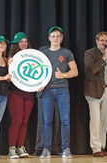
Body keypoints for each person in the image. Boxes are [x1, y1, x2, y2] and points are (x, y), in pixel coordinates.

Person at [39, 26, 78, 159]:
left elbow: (75, 71)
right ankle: (46, 149)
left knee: (65, 120)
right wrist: (38, 84)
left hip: (62, 90)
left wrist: (64, 75)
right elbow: (35, 69)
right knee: (47, 121)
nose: (56, 38)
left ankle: (66, 149)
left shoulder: (67, 53)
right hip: (47, 91)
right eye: (53, 36)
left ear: (61, 38)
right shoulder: (42, 53)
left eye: (58, 36)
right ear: (49, 38)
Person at [83, 31, 107, 157]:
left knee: (105, 120)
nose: (105, 43)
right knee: (95, 120)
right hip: (93, 91)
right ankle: (96, 147)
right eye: (102, 40)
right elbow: (92, 70)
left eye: (106, 41)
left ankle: (102, 146)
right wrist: (104, 57)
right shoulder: (90, 53)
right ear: (97, 41)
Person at [6, 32, 35, 159]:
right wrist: (9, 65)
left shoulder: (33, 56)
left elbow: (38, 73)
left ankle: (20, 147)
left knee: (24, 121)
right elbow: (8, 78)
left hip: (29, 92)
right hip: (15, 92)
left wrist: (40, 83)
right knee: (17, 120)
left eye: (25, 41)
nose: (24, 43)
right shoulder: (11, 57)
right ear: (16, 43)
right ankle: (11, 148)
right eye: (21, 41)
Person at [33, 45, 62, 156]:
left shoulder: (62, 54)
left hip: (58, 91)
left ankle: (55, 147)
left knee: (58, 120)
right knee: (42, 120)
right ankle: (39, 147)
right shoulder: (40, 55)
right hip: (44, 92)